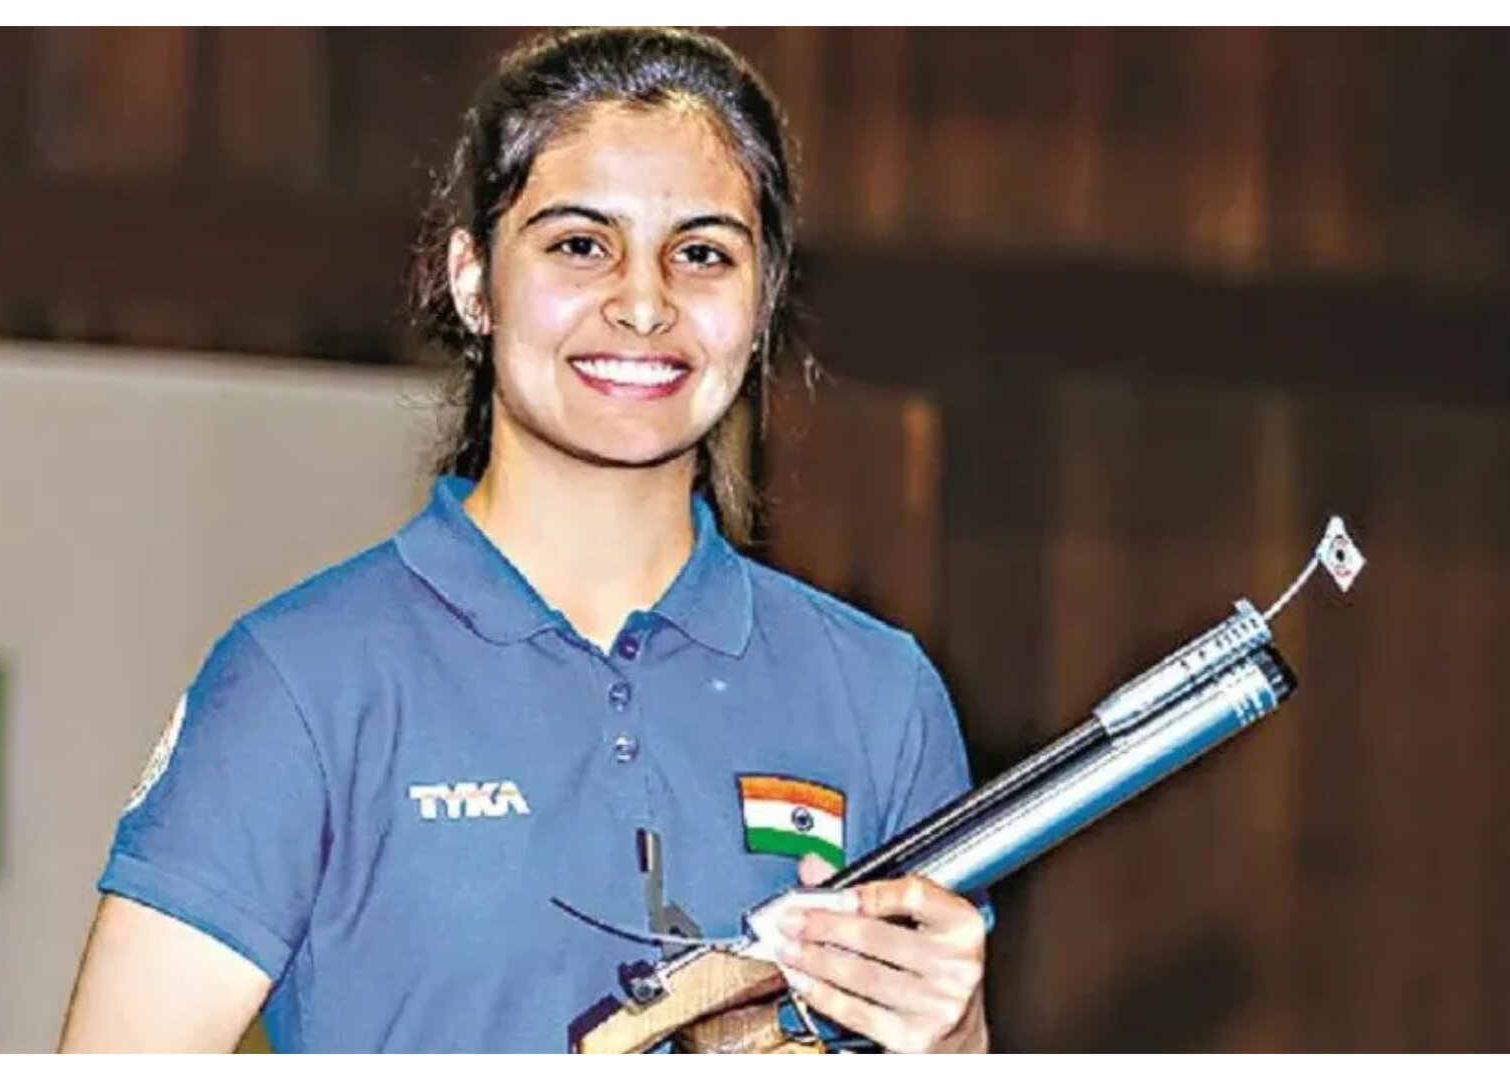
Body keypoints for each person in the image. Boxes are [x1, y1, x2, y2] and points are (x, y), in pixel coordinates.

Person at [58, 27, 991, 1054]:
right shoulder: (302, 681)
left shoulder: (878, 694)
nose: (644, 303)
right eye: (579, 245)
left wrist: (950, 1040)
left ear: (762, 302)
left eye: (703, 254)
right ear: (474, 281)